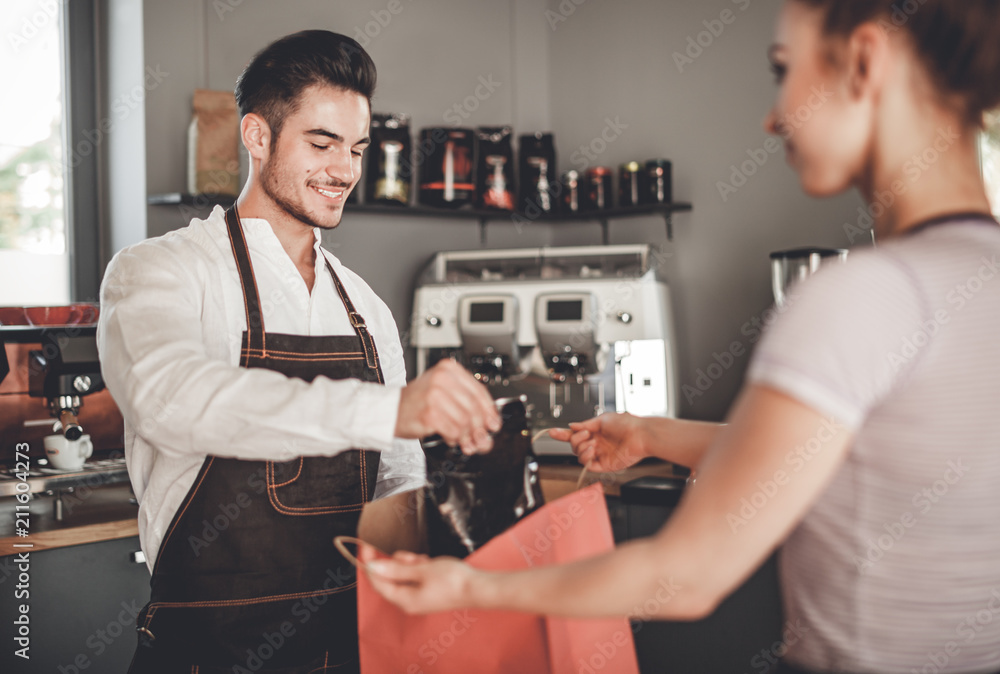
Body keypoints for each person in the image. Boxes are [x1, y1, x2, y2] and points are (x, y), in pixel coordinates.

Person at [364, 2, 1000, 672]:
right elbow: (853, 456)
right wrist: (652, 433)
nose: (772, 116)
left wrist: (476, 586)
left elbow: (689, 574)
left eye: (783, 71)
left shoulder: (861, 293)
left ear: (866, 61)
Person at [97, 30, 499, 674]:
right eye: (322, 143)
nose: (345, 170)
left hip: (346, 650)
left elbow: (395, 477)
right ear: (257, 137)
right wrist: (385, 410)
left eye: (358, 148)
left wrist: (467, 523)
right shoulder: (159, 272)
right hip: (206, 654)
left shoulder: (364, 306)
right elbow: (173, 402)